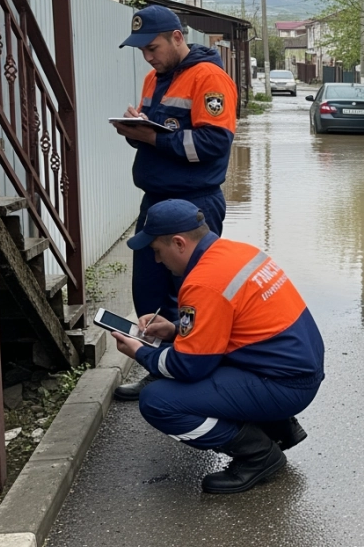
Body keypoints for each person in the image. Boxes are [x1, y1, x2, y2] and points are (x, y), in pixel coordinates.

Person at [110, 199, 325, 494]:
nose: (157, 261)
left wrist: (141, 351)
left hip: (284, 384)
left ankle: (257, 455)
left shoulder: (202, 283)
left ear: (178, 243)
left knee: (158, 401)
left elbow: (187, 366)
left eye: (157, 251)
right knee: (204, 372)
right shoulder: (237, 252)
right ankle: (276, 425)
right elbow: (229, 328)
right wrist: (174, 331)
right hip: (295, 369)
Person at [113, 4, 238, 401]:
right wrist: (136, 130)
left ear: (177, 38)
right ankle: (158, 366)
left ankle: (193, 372)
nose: (148, 58)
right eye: (142, 51)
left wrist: (152, 138)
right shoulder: (155, 78)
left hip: (193, 203)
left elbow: (215, 143)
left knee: (192, 293)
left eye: (153, 48)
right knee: (149, 290)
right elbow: (159, 133)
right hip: (157, 200)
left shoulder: (209, 78)